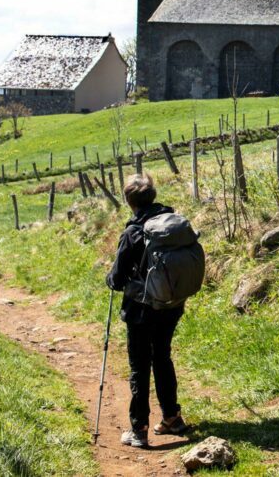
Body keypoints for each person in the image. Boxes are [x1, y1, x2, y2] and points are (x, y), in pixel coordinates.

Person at [106, 173, 189, 448]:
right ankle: (172, 419)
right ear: (152, 196)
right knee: (162, 357)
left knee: (139, 366)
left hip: (141, 310)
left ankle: (139, 430)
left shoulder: (133, 232)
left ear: (129, 200)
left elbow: (116, 280)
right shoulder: (172, 223)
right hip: (171, 304)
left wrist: (110, 278)